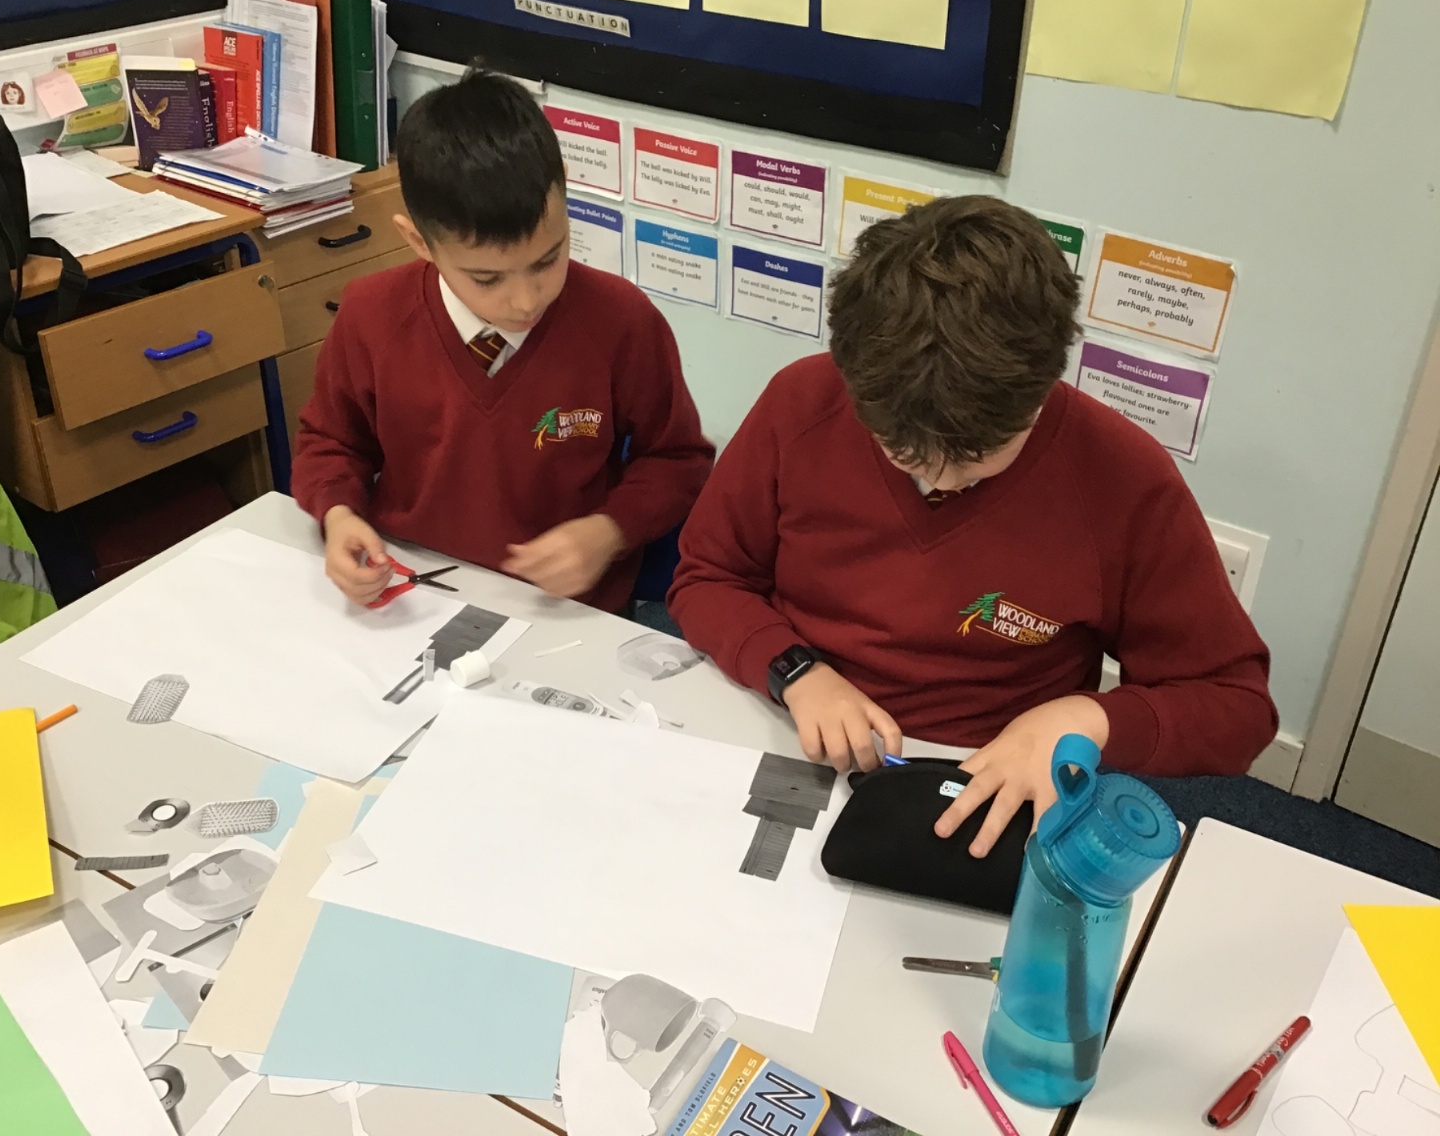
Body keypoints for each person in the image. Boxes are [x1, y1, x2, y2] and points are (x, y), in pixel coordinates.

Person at [668, 196, 1276, 855]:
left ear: (1043, 391)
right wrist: (793, 670)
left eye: (980, 457)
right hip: (793, 723)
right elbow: (707, 577)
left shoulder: (1123, 476)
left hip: (989, 777)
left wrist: (1087, 719)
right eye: (903, 453)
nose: (943, 482)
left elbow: (1235, 707)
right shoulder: (803, 404)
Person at [293, 70, 713, 613]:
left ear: (564, 191)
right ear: (418, 241)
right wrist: (339, 514)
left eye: (548, 259)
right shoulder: (372, 314)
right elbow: (330, 442)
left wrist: (610, 531)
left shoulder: (621, 320)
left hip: (561, 607)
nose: (525, 300)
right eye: (487, 279)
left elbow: (679, 459)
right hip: (414, 587)